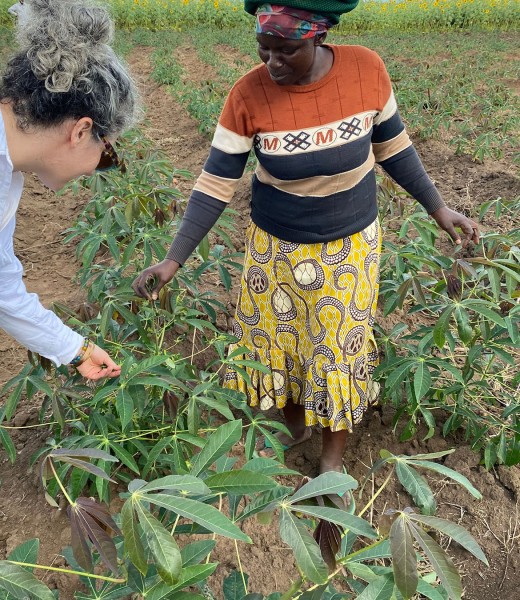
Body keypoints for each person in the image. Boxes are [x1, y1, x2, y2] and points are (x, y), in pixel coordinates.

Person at [133, 1, 479, 509]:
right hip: (275, 249)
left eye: (286, 49)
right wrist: (173, 259)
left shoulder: (365, 70)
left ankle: (331, 458)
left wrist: (438, 207)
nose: (271, 62)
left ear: (318, 37)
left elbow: (393, 148)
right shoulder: (248, 94)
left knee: (337, 349)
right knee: (282, 342)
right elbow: (215, 183)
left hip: (350, 248)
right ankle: (291, 431)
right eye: (263, 48)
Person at [0, 0, 137, 597]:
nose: (99, 168)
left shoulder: (0, 170)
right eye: (107, 156)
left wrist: (73, 348)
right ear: (81, 130)